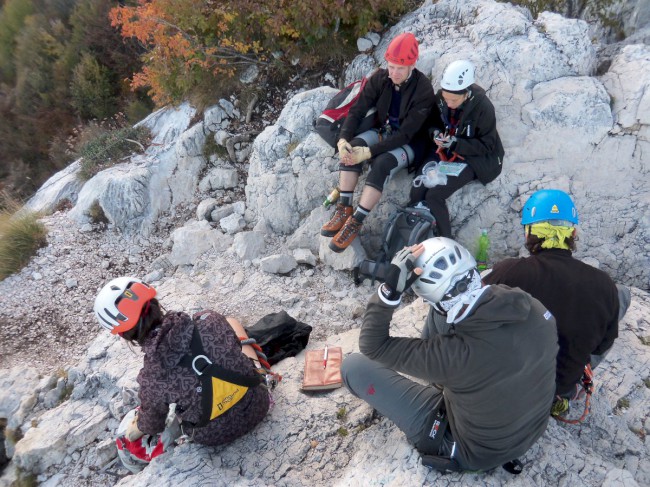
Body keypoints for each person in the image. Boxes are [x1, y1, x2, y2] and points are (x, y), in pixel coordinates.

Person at [341, 238, 558, 472]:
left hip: (471, 452)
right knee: (444, 313)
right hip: (528, 432)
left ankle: (437, 384)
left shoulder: (453, 357)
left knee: (352, 366)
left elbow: (373, 346)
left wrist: (389, 291)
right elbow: (454, 306)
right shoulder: (536, 309)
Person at [94, 277, 272, 472]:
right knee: (232, 323)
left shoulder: (151, 377)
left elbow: (152, 424)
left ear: (123, 334)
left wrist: (137, 427)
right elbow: (235, 348)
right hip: (259, 404)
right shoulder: (209, 318)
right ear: (155, 302)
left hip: (213, 436)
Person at [482, 189, 631, 416]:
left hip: (508, 384)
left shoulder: (509, 272)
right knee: (621, 295)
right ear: (572, 233)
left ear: (528, 233)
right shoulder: (603, 285)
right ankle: (573, 386)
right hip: (555, 390)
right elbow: (601, 346)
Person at [321, 32, 435, 252]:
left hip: (410, 142)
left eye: (400, 68)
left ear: (412, 65)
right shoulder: (381, 78)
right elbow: (357, 110)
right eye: (391, 67)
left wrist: (369, 152)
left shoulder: (423, 91)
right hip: (384, 131)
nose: (394, 73)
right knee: (352, 148)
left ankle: (356, 221)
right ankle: (344, 208)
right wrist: (343, 138)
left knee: (381, 164)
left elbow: (405, 135)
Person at [410, 59, 504, 238]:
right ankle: (417, 233)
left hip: (473, 157)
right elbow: (431, 123)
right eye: (446, 99)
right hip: (445, 149)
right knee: (417, 190)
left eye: (454, 100)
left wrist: (455, 144)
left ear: (466, 94)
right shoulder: (441, 99)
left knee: (434, 196)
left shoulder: (483, 108)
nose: (449, 104)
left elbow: (487, 145)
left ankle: (445, 239)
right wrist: (436, 134)